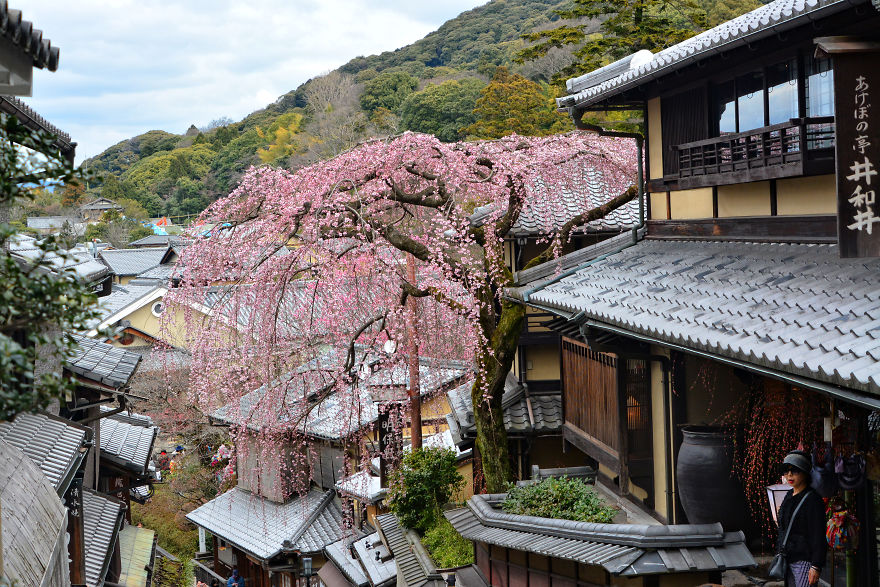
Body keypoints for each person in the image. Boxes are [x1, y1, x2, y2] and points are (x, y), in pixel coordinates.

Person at [776, 450, 826, 586]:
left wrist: (816, 565)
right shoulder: (789, 495)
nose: (789, 475)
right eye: (786, 471)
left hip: (805, 560)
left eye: (795, 471)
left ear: (805, 472)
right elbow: (783, 528)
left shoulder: (813, 500)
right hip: (788, 558)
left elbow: (818, 535)